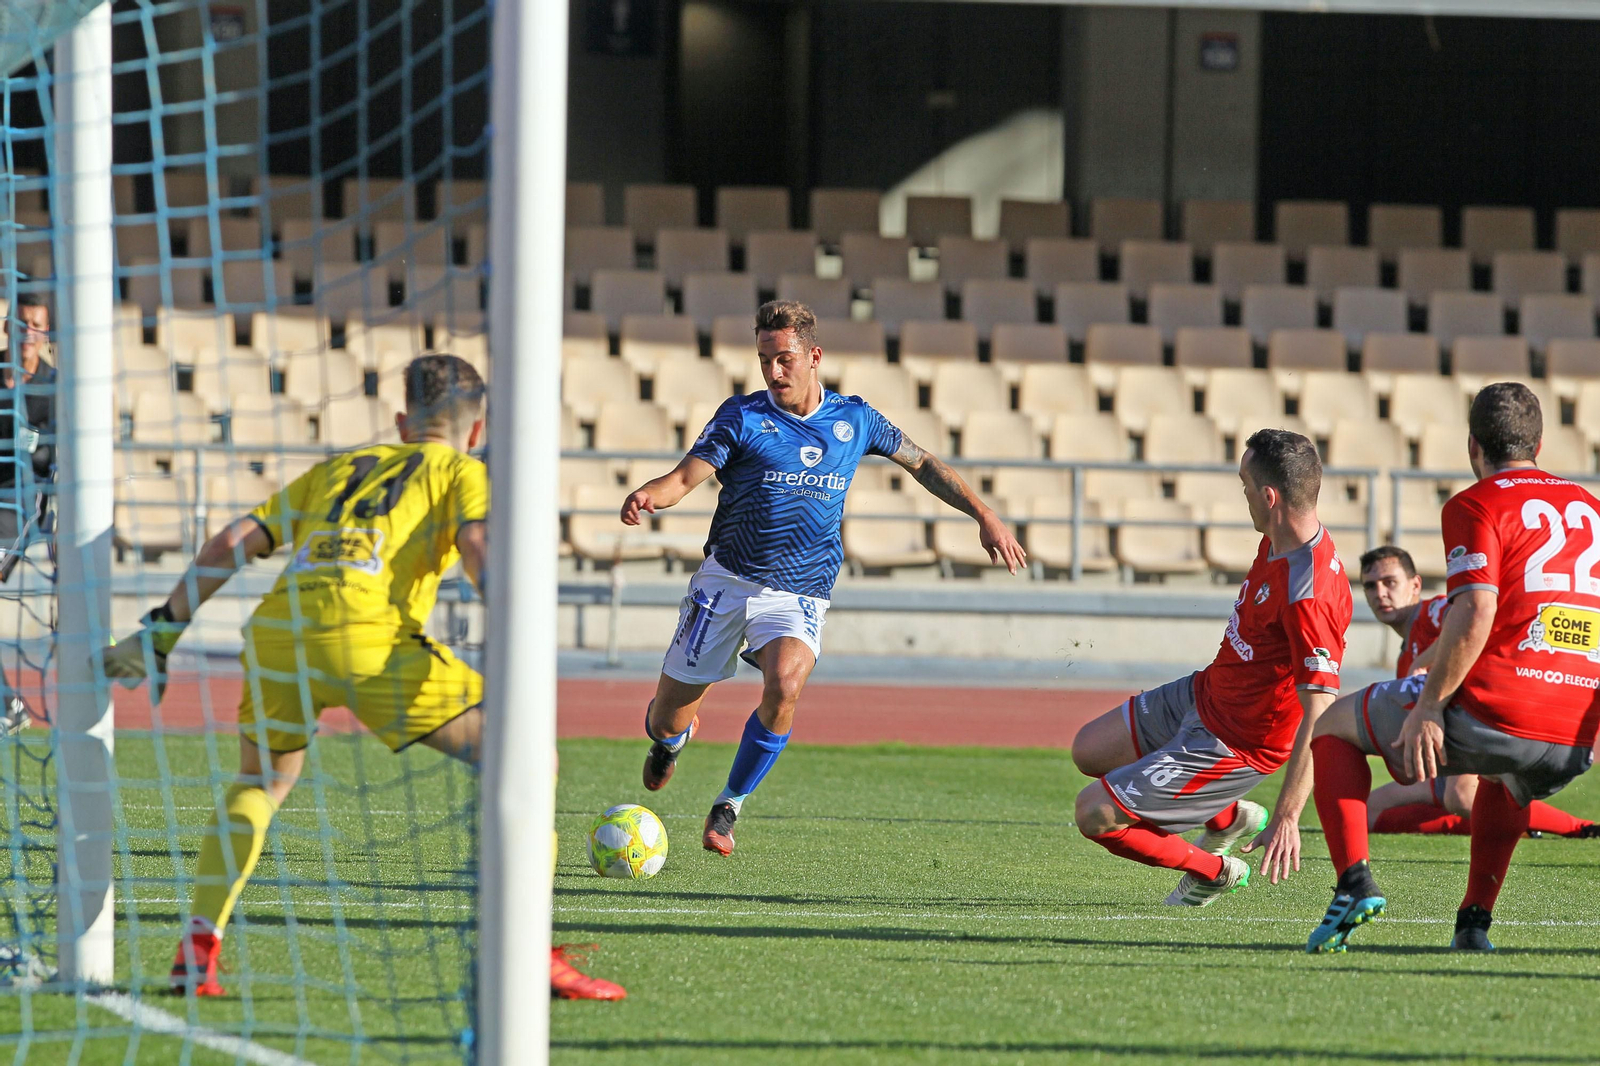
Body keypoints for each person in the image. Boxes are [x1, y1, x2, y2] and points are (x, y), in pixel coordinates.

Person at [98, 354, 624, 1000]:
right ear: (477, 430)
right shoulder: (460, 470)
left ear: (404, 420)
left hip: (279, 635)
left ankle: (199, 945)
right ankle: (526, 955)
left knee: (259, 784)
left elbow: (234, 539)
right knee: (529, 761)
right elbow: (479, 547)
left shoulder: (340, 468)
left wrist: (161, 629)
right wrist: (517, 629)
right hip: (372, 641)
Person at [621, 300, 1026, 856]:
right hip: (727, 581)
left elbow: (924, 463)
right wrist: (650, 495)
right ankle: (672, 740)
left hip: (800, 589)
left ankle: (729, 804)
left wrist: (984, 514)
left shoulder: (855, 420)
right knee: (665, 718)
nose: (773, 372)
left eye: (783, 359)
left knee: (786, 684)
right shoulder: (741, 416)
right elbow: (684, 477)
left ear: (814, 357)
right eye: (764, 360)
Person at [1307, 383, 1600, 954]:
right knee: (1505, 784)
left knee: (1331, 727)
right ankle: (1473, 924)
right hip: (1574, 732)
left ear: (1473, 446)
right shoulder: (1593, 510)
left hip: (1499, 706)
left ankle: (1353, 883)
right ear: (1539, 443)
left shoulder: (1475, 503)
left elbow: (1476, 607)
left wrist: (1429, 706)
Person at [1070, 429, 1352, 906]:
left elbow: (1320, 711)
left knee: (1094, 813)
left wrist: (1287, 816)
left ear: (1270, 495)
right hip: (1205, 694)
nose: (1242, 496)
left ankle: (1215, 870)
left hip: (1236, 742)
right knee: (1088, 752)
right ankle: (1227, 817)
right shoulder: (1277, 540)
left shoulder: (1309, 594)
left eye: (1244, 485)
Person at [1358, 545, 1596, 839]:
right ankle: (1505, 827)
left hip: (1484, 728)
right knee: (1367, 811)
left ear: (1415, 585)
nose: (1379, 592)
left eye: (1389, 582)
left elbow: (1472, 621)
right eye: (1370, 585)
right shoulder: (1405, 657)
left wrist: (1426, 660)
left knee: (1461, 795)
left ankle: (1581, 828)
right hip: (1449, 759)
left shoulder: (1432, 612)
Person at [0, 293, 55, 735]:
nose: (29, 334)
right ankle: (8, 705)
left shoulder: (52, 387)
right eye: (23, 324)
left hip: (16, 508)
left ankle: (8, 705)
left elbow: (55, 455)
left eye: (37, 325)